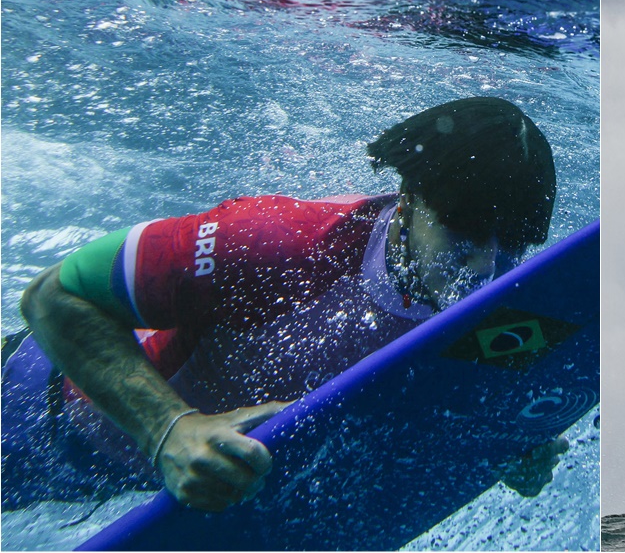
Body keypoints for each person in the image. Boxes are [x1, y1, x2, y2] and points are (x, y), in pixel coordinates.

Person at [4, 96, 563, 512]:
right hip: (30, 411)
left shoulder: (507, 314)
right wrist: (168, 431)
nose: (488, 267)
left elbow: (466, 402)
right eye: (464, 231)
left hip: (132, 487)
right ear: (408, 196)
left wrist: (509, 444)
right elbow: (51, 295)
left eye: (513, 243)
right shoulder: (278, 244)